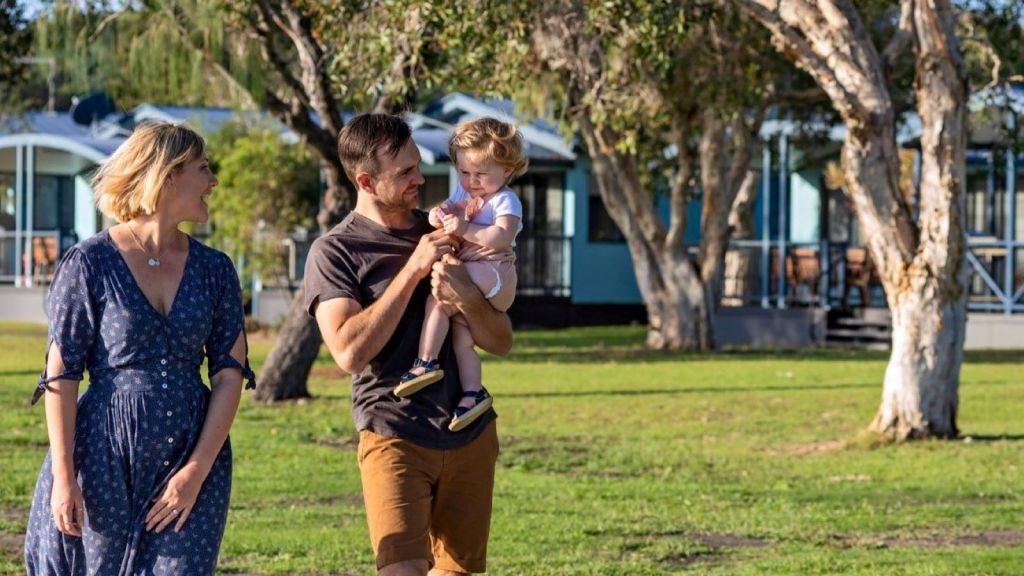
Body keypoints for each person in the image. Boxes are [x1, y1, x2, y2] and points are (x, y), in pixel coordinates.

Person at [24, 121, 255, 576]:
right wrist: (65, 478)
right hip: (103, 452)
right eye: (203, 168)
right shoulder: (90, 262)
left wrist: (196, 470)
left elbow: (230, 374)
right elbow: (62, 375)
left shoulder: (215, 269)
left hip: (191, 451)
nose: (213, 181)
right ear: (167, 174)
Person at [303, 113, 513, 575]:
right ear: (365, 181)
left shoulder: (448, 229)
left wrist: (468, 297)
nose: (420, 178)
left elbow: (501, 341)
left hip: (470, 435)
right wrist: (415, 268)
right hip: (393, 435)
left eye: (419, 165)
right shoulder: (335, 251)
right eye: (405, 172)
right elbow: (348, 352)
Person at [395, 118, 526, 432]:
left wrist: (465, 228)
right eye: (465, 172)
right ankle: (472, 393)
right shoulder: (464, 191)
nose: (472, 181)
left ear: (507, 170)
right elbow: (448, 210)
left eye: (481, 174)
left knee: (440, 296)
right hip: (476, 270)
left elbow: (502, 237)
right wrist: (438, 214)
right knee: (462, 338)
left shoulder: (505, 200)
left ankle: (426, 362)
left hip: (495, 271)